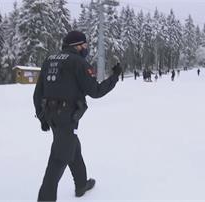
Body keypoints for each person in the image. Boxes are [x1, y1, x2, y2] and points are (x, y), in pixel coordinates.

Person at [33, 30, 122, 201]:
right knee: (59, 159)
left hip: (52, 116)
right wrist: (115, 77)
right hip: (66, 117)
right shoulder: (78, 62)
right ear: (77, 46)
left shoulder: (49, 60)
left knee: (73, 148)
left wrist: (42, 117)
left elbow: (38, 93)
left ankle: (81, 184)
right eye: (85, 45)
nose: (86, 48)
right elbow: (95, 91)